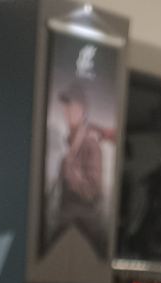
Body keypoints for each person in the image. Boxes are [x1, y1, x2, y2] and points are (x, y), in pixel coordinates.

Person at [54, 81, 106, 252]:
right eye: (66, 106)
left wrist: (70, 171)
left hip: (83, 231)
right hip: (67, 226)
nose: (67, 110)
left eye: (72, 106)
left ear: (83, 111)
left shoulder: (90, 145)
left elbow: (93, 190)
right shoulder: (69, 144)